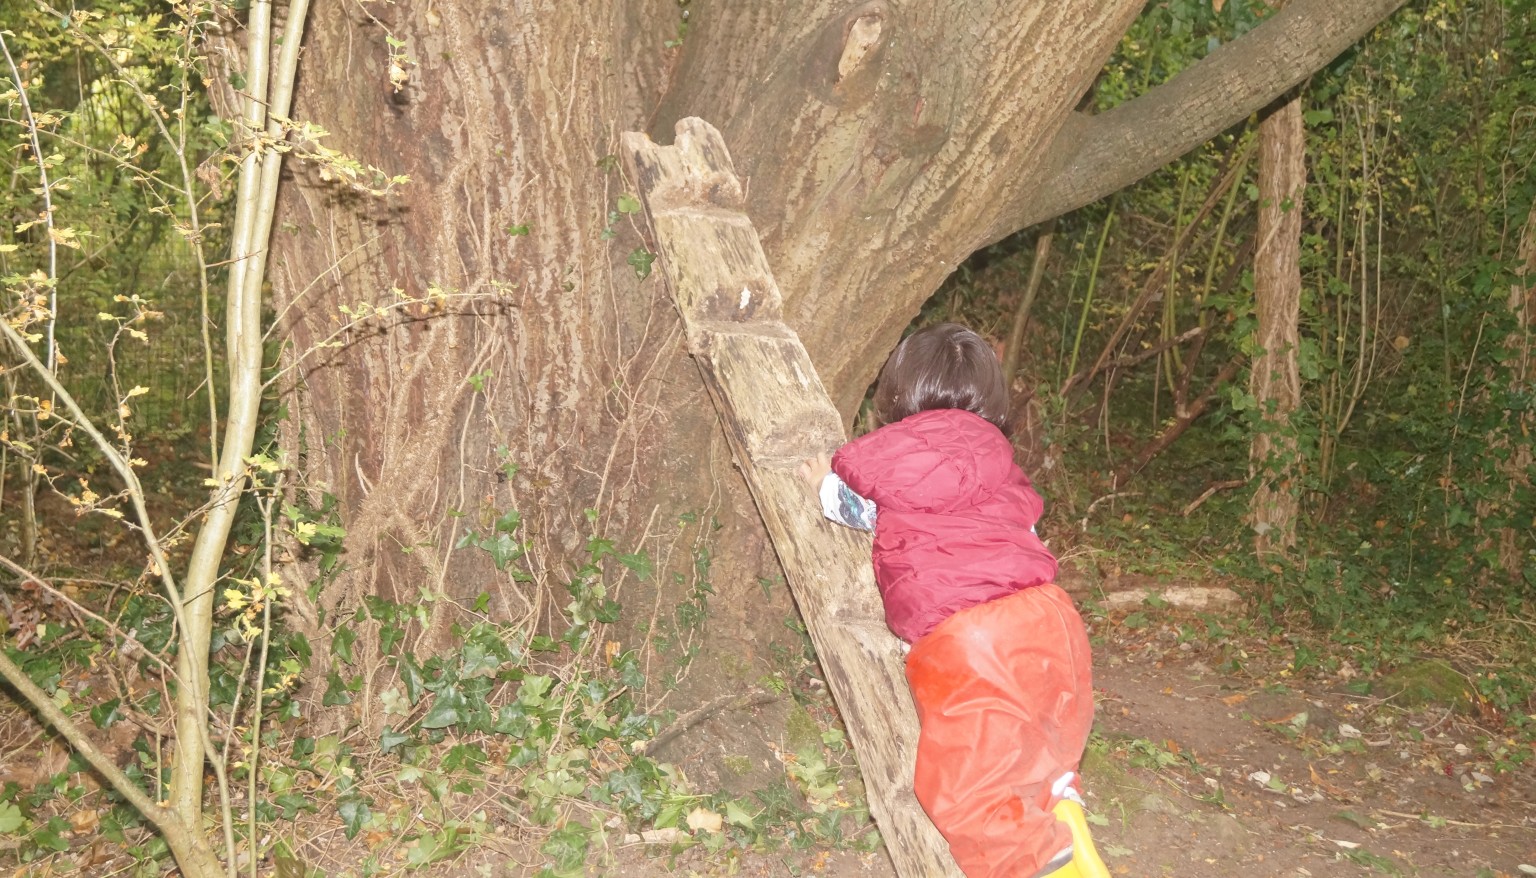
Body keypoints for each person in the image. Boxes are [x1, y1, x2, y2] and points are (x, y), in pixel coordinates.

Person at [801, 323, 1108, 878]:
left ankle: (1044, 865)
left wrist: (821, 480)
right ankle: (1062, 814)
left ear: (894, 393)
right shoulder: (1003, 464)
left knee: (966, 789)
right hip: (1052, 621)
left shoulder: (888, 464)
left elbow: (849, 506)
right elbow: (1026, 531)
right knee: (1040, 748)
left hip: (972, 641)